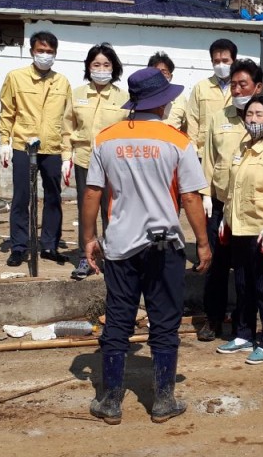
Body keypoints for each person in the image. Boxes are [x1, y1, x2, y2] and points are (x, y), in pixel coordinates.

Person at [81, 67, 212, 425]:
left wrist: (88, 238)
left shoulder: (105, 138)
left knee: (118, 320)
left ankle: (109, 401)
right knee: (165, 323)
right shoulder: (178, 142)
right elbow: (190, 198)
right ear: (163, 102)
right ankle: (163, 400)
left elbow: (93, 191)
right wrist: (203, 243)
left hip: (121, 247)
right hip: (164, 246)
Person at [198, 59, 263, 342]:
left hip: (258, 212)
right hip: (223, 206)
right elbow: (210, 159)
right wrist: (205, 195)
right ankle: (214, 320)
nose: (237, 89)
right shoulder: (220, 117)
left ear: (258, 87)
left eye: (244, 84)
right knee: (219, 266)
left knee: (255, 277)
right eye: (234, 84)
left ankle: (252, 331)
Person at [216, 95, 263, 365]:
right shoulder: (243, 147)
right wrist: (226, 219)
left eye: (259, 115)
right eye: (249, 114)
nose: (252, 119)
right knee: (242, 283)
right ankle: (244, 333)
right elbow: (233, 189)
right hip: (239, 227)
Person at [0, 31, 72, 267]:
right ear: (32, 51)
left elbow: (68, 120)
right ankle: (19, 246)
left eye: (50, 52)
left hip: (52, 147)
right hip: (23, 145)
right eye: (41, 50)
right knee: (22, 197)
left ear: (55, 54)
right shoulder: (16, 78)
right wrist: (3, 142)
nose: (45, 55)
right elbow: (7, 111)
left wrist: (67, 154)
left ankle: (49, 244)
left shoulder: (62, 82)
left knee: (53, 197)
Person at [63, 43, 128, 280]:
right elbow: (67, 126)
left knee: (110, 211)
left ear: (114, 67)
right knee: (85, 210)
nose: (101, 69)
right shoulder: (77, 94)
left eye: (106, 64)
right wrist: (66, 157)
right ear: (89, 67)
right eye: (96, 64)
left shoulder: (124, 97)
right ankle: (84, 257)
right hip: (84, 160)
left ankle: (112, 256)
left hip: (114, 164)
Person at [186, 38, 236, 159]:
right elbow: (192, 120)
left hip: (235, 153)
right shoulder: (201, 87)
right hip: (204, 153)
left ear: (234, 61)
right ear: (212, 62)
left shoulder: (240, 88)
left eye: (225, 61)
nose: (221, 65)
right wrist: (193, 150)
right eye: (216, 61)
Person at [148, 51, 187, 131]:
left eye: (164, 72)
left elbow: (185, 127)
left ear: (170, 76)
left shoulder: (180, 99)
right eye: (156, 71)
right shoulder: (142, 97)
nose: (160, 75)